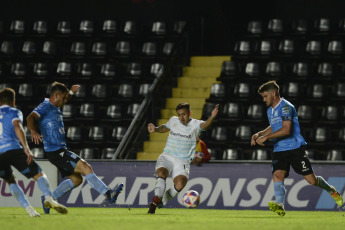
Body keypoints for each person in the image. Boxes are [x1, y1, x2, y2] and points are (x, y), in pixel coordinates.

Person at [26, 82, 123, 214]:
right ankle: (108, 194)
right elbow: (30, 117)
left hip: (59, 151)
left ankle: (48, 199)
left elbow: (64, 99)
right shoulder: (45, 106)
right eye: (64, 97)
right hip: (56, 151)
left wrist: (71, 93)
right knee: (86, 167)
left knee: (77, 180)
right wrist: (32, 130)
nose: (65, 100)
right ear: (56, 95)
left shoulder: (55, 106)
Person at [251, 80, 343, 216]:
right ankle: (280, 205)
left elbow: (286, 129)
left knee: (312, 180)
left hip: (294, 147)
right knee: (277, 175)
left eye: (265, 96)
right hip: (279, 149)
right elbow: (274, 125)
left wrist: (266, 137)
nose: (264, 99)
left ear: (274, 93)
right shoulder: (270, 110)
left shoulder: (287, 107)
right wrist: (260, 133)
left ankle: (331, 190)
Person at [0, 88, 67, 217]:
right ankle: (48, 198)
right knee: (39, 175)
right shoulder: (14, 111)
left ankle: (30, 210)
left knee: (10, 181)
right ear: (13, 101)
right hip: (13, 149)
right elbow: (17, 126)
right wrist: (26, 147)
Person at [147, 103, 219, 214]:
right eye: (179, 114)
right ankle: (156, 199)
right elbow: (164, 128)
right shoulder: (173, 120)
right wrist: (155, 129)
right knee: (162, 172)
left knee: (180, 184)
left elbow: (206, 125)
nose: (181, 117)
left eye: (184, 114)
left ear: (189, 113)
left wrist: (212, 116)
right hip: (167, 156)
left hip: (183, 161)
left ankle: (161, 200)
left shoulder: (195, 124)